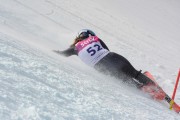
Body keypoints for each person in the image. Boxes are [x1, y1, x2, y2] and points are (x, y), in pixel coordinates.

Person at [53, 29, 180, 112]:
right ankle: (166, 98)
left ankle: (144, 89)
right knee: (136, 73)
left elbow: (62, 54)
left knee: (127, 81)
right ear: (90, 35)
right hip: (114, 58)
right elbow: (106, 49)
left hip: (104, 67)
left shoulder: (75, 49)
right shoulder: (95, 38)